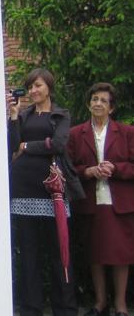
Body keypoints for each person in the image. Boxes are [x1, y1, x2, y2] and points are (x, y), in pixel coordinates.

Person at [7, 68, 78, 316]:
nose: (33, 91)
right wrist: (14, 117)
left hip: (53, 191)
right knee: (28, 252)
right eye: (30, 87)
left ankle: (65, 308)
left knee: (59, 251)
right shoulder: (24, 116)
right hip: (23, 187)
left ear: (48, 86)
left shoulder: (60, 115)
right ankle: (30, 308)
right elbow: (14, 145)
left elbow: (58, 144)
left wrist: (28, 146)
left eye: (37, 85)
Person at [67, 83, 134, 316]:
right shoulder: (76, 134)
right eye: (94, 99)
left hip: (119, 204)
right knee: (95, 254)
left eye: (103, 101)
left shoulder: (127, 133)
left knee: (120, 255)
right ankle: (99, 302)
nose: (98, 103)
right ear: (88, 104)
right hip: (90, 203)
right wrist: (88, 172)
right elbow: (68, 168)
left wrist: (116, 169)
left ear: (111, 108)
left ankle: (121, 305)